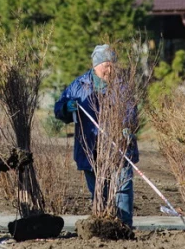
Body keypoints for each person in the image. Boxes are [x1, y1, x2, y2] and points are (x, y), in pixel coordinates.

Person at [53, 44, 138, 228]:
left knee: (122, 188)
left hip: (119, 146)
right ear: (96, 65)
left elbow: (131, 110)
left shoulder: (122, 86)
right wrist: (66, 108)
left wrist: (127, 127)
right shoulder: (79, 85)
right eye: (106, 65)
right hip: (90, 147)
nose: (110, 69)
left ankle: (124, 226)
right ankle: (103, 225)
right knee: (99, 190)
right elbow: (59, 108)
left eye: (113, 64)